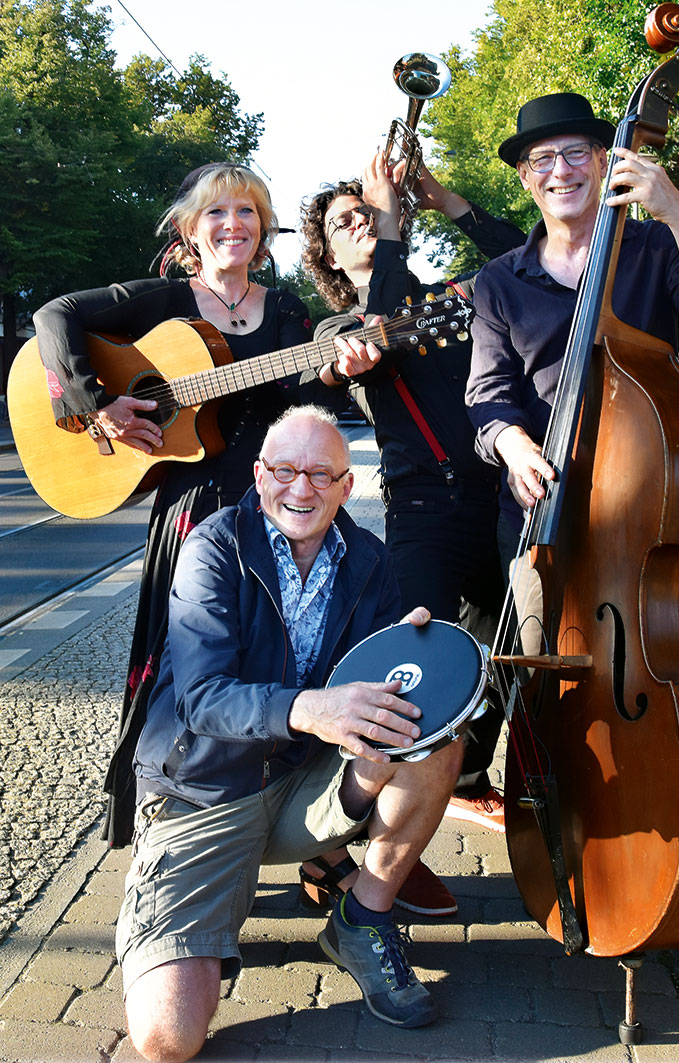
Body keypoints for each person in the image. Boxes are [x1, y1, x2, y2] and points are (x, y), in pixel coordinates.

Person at [465, 92, 679, 992]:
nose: (560, 170)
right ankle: (576, 865)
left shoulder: (654, 246)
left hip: (648, 511)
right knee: (553, 704)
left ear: (605, 159)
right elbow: (487, 396)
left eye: (576, 153)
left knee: (674, 695)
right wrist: (512, 443)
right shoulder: (500, 280)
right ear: (524, 178)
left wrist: (675, 206)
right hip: (550, 529)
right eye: (541, 160)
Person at [118, 405, 463, 1060]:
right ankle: (176, 900)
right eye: (284, 470)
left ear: (345, 484)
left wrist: (410, 662)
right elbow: (200, 698)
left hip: (304, 783)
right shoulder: (214, 548)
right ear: (259, 473)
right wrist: (310, 708)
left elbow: (374, 682)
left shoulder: (368, 560)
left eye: (319, 474)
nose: (300, 489)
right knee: (169, 1038)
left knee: (434, 733)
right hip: (204, 794)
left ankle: (362, 916)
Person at [32, 162, 331, 848]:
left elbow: (308, 398)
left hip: (274, 513)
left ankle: (280, 829)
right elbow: (56, 317)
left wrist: (338, 363)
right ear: (192, 231)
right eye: (218, 214)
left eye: (248, 213)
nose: (234, 225)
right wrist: (95, 403)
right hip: (194, 513)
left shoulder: (284, 310)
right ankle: (175, 823)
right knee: (188, 670)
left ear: (264, 229)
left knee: (277, 667)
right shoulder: (163, 301)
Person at [298, 154, 526, 909]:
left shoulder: (453, 298)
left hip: (502, 497)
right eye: (343, 219)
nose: (360, 215)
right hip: (423, 508)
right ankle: (345, 843)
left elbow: (541, 260)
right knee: (415, 664)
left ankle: (463, 778)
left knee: (513, 650)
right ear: (329, 256)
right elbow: (378, 319)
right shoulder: (340, 326)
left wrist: (451, 203)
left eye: (365, 207)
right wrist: (391, 216)